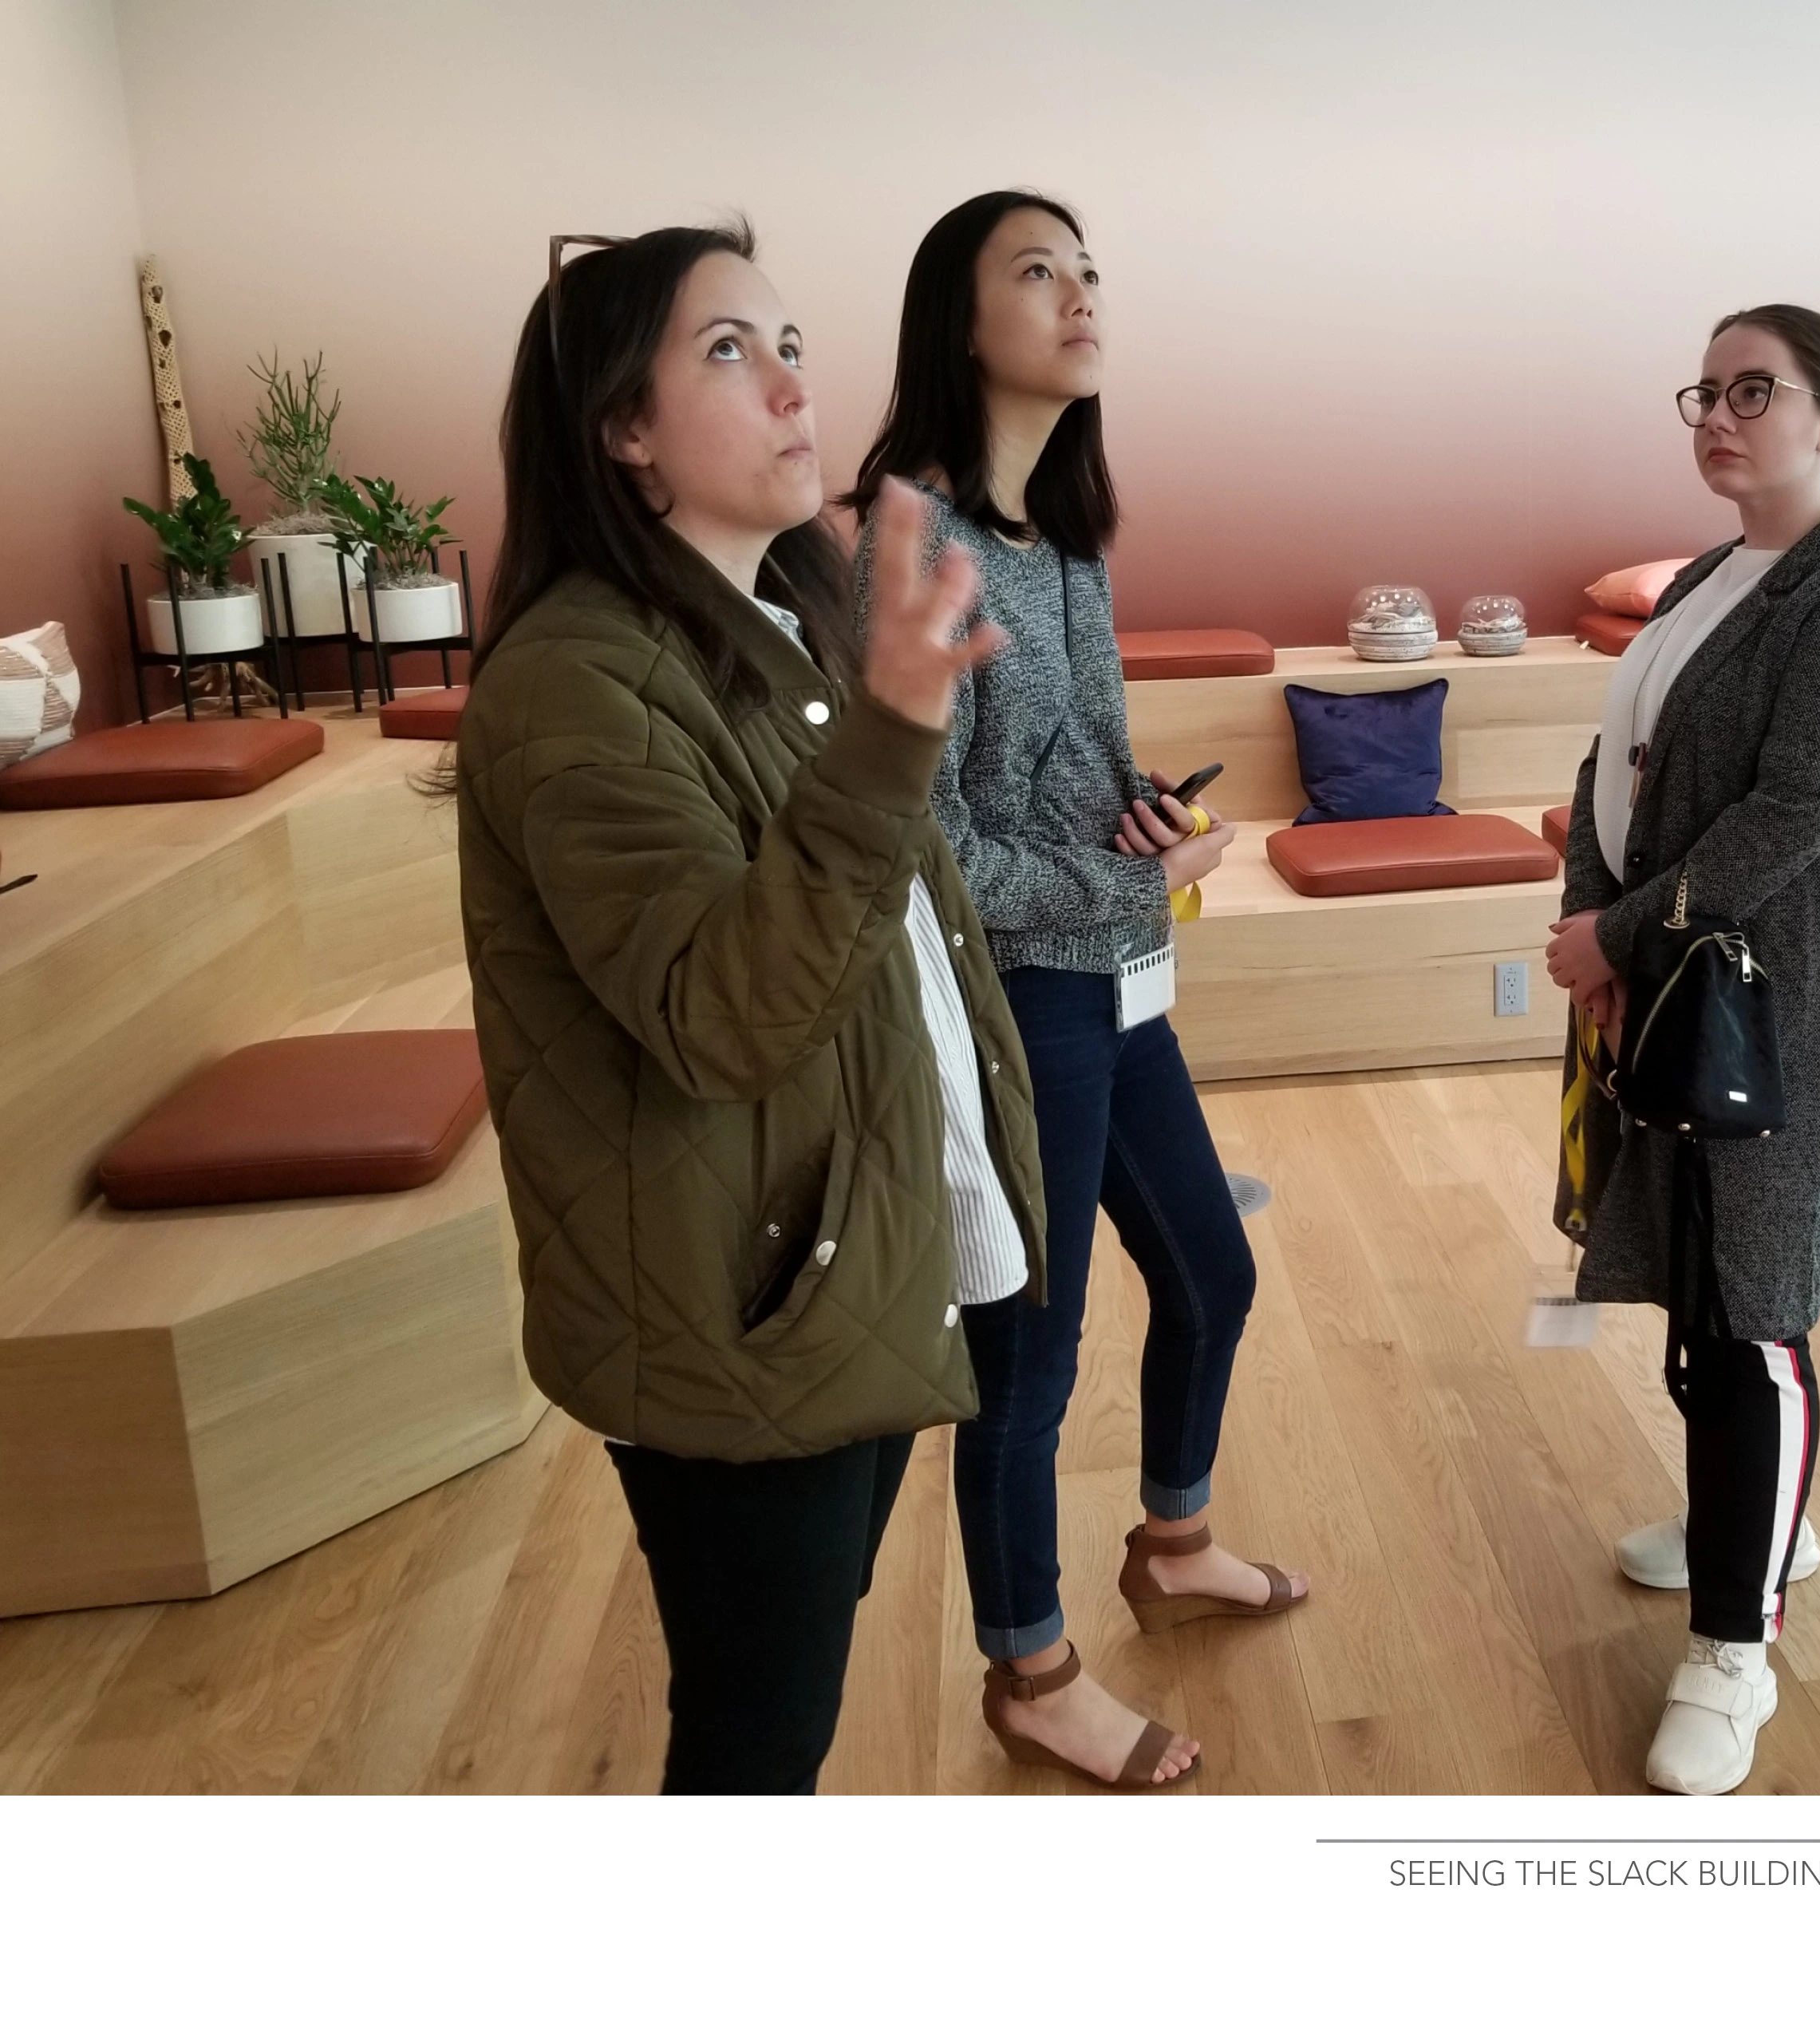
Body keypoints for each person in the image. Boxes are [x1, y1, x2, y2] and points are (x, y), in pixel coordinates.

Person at [456, 223, 1042, 1793]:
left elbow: (886, 942)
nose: (792, 380)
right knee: (756, 1739)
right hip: (735, 1293)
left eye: (791, 342)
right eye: (729, 349)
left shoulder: (783, 626)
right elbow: (725, 1013)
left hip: (830, 1248)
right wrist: (898, 731)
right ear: (621, 430)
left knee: (795, 1671)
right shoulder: (576, 681)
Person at [845, 190, 1307, 1792]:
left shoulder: (1069, 533)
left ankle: (1172, 1541)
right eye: (1037, 271)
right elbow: (923, 846)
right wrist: (1133, 877)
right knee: (1029, 1359)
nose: (1081, 293)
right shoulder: (911, 538)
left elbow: (1072, 775)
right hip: (1015, 1000)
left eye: (1091, 269)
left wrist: (1143, 817)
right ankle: (1032, 1668)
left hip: (1112, 978)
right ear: (958, 322)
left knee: (1213, 1276)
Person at [1546, 304, 1820, 1794]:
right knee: (1696, 1268)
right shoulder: (1710, 574)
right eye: (1706, 390)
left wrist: (1620, 934)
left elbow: (1787, 821)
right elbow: (1612, 759)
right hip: (1673, 975)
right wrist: (1594, 917)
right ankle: (1753, 1516)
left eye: (1753, 389)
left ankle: (1734, 1642)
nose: (1720, 413)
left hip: (1787, 999)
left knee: (1756, 1297)